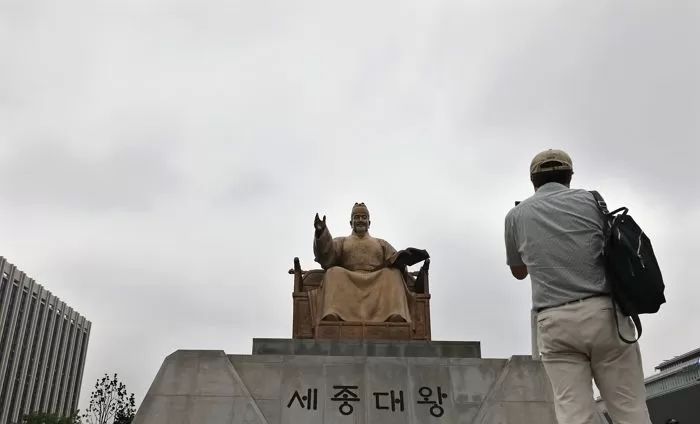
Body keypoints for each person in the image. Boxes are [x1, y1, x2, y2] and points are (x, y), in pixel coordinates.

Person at [504, 149, 652, 424]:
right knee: (630, 409)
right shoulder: (592, 200)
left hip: (555, 321)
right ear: (569, 177)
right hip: (604, 313)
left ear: (533, 181)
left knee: (574, 415)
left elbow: (518, 272)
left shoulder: (515, 216)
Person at [312, 202, 428, 323]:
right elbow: (327, 256)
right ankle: (333, 313)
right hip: (349, 277)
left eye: (364, 217)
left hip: (376, 278)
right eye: (356, 217)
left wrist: (402, 261)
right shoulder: (342, 241)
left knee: (393, 274)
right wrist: (321, 233)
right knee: (333, 272)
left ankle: (395, 314)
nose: (360, 220)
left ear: (369, 223)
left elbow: (394, 259)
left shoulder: (381, 243)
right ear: (351, 223)